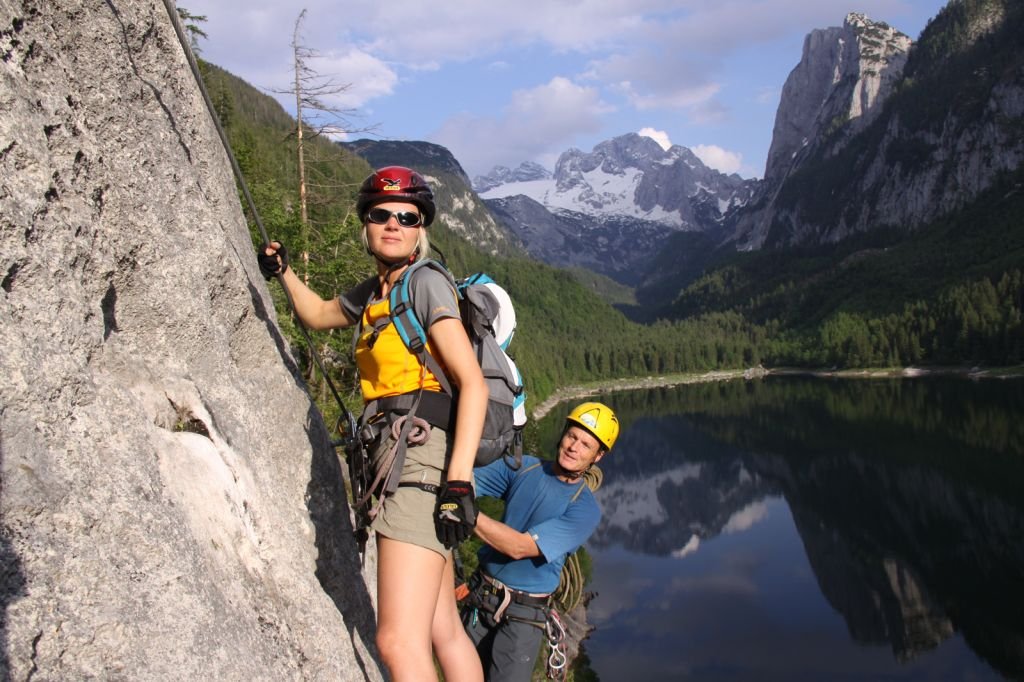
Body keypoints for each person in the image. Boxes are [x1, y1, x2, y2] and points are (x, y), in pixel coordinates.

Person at [258, 166, 485, 682]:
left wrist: (458, 483)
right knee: (442, 629)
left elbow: (472, 383)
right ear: (366, 223)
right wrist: (283, 271)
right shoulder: (377, 292)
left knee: (397, 641)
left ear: (421, 229)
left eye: (408, 217)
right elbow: (318, 315)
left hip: (419, 458)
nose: (393, 224)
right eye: (381, 214)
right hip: (401, 453)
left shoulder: (425, 283)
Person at [462, 401, 620, 681]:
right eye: (572, 436)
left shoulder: (584, 509)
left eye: (585, 445)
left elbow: (519, 547)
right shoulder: (524, 468)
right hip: (481, 596)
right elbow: (465, 480)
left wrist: (463, 510)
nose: (574, 447)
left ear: (598, 456)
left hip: (522, 616)